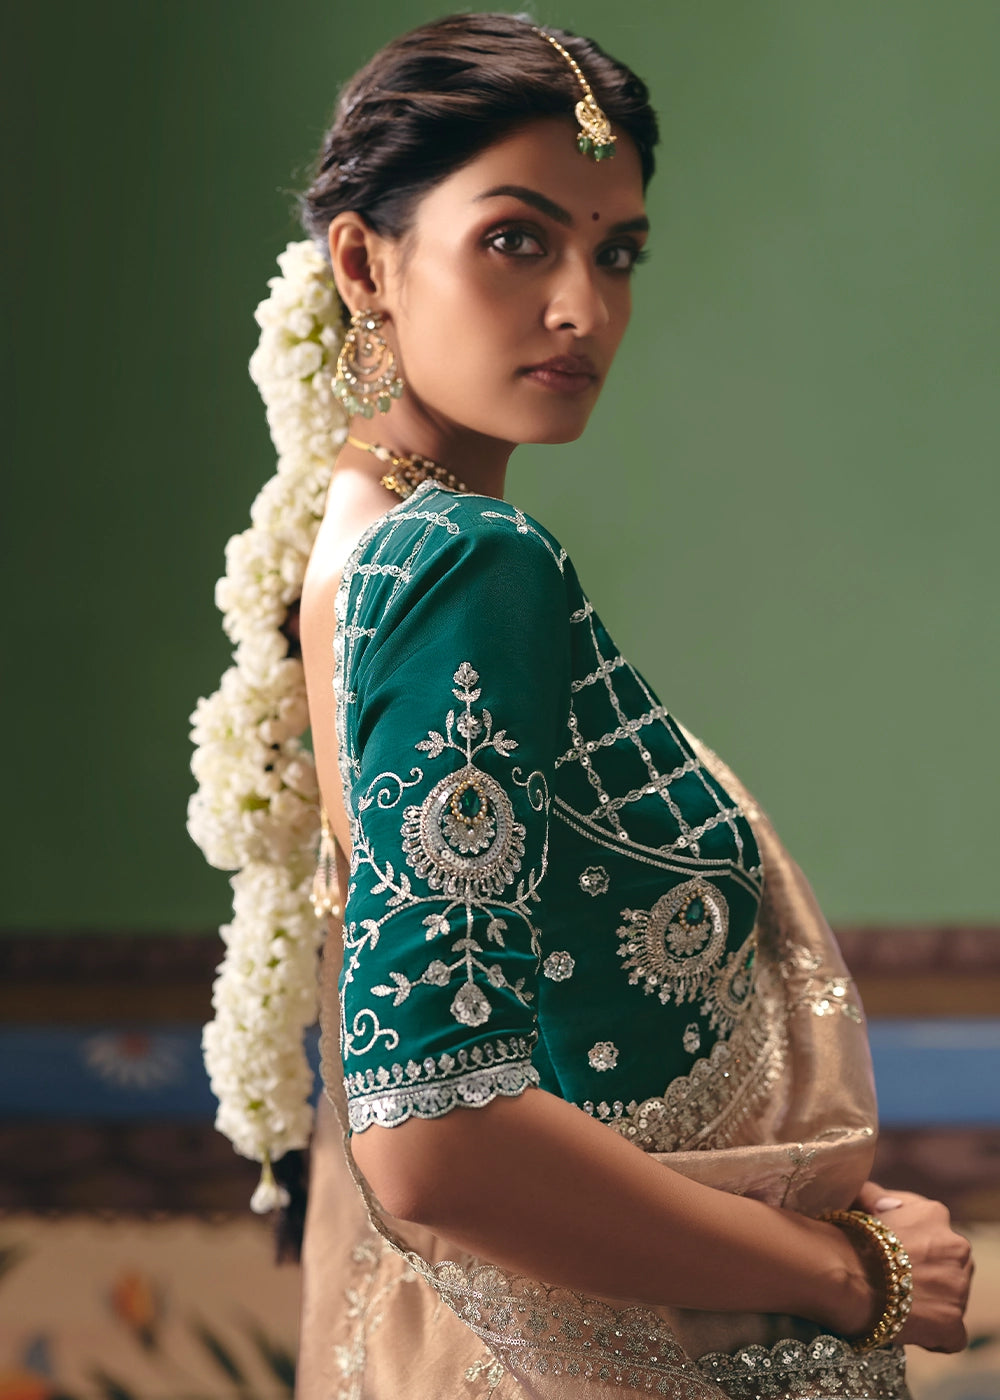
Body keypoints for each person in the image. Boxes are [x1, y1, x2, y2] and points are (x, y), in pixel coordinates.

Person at [193, 13, 972, 1398]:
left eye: (617, 254)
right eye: (518, 239)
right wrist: (851, 1272)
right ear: (364, 263)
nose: (582, 308)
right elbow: (434, 1136)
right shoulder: (464, 562)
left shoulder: (356, 543)